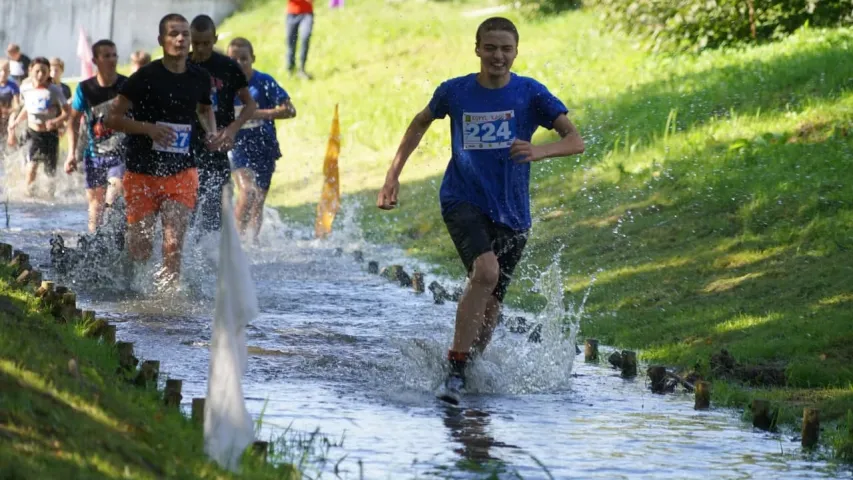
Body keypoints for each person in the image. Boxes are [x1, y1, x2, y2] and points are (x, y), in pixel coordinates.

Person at [376, 17, 585, 404]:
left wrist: (538, 151)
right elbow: (419, 123)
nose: (498, 56)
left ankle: (470, 368)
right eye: (490, 48)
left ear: (516, 52)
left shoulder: (531, 94)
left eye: (506, 49)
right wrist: (392, 176)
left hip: (513, 213)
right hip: (462, 199)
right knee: (485, 271)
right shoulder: (455, 93)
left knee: (491, 306)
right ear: (477, 49)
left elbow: (575, 140)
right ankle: (455, 367)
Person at [105, 13, 223, 288]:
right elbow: (112, 118)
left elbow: (205, 109)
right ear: (161, 40)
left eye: (185, 34)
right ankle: (136, 294)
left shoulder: (200, 77)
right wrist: (149, 129)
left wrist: (212, 132)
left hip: (182, 171)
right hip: (142, 171)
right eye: (173, 34)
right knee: (140, 249)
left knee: (173, 243)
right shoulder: (144, 77)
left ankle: (169, 303)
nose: (181, 39)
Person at [188, 14, 257, 235]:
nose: (201, 48)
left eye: (206, 43)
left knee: (214, 201)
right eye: (196, 43)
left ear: (215, 39)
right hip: (187, 144)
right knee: (187, 201)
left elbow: (250, 104)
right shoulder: (182, 65)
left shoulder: (227, 67)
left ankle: (214, 251)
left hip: (218, 142)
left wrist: (231, 131)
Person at [226, 37, 296, 242]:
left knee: (257, 202)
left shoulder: (264, 82)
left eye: (243, 59)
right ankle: (237, 244)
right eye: (233, 59)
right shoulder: (223, 87)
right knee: (247, 192)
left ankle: (252, 245)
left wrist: (258, 114)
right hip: (238, 147)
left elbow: (290, 110)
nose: (239, 64)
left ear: (252, 59)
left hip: (265, 146)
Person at [65, 39, 129, 233]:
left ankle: (115, 241)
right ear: (95, 60)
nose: (112, 59)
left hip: (121, 154)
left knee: (113, 199)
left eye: (114, 55)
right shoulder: (85, 89)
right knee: (95, 205)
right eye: (106, 55)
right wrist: (71, 153)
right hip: (94, 155)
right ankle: (93, 246)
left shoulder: (126, 85)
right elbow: (73, 120)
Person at [6, 57, 70, 197]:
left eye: (44, 71)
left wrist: (56, 121)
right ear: (30, 71)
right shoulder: (25, 88)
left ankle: (49, 199)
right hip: (34, 134)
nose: (40, 75)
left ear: (48, 73)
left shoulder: (54, 90)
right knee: (31, 168)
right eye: (37, 71)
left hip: (50, 135)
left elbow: (67, 111)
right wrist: (16, 122)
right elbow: (27, 108)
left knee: (50, 173)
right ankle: (29, 197)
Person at [286, 0, 314, 79]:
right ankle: (290, 69)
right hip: (292, 13)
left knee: (305, 37)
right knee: (291, 42)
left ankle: (302, 69)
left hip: (307, 13)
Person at [0, 60, 20, 143]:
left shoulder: (13, 86)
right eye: (1, 70)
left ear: (9, 72)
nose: (3, 73)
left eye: (6, 70)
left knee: (10, 128)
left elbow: (17, 105)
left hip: (9, 114)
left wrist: (9, 111)